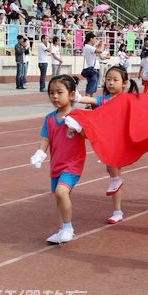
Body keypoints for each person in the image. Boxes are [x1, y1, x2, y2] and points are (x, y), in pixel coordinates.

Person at [65, 66, 139, 224]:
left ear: (124, 83)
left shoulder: (128, 100)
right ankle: (117, 210)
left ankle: (115, 186)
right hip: (106, 140)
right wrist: (77, 97)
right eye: (108, 79)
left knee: (114, 169)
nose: (111, 83)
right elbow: (90, 100)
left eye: (115, 80)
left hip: (121, 140)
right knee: (114, 175)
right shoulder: (103, 99)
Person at [30, 75, 86, 244]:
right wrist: (39, 153)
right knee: (58, 196)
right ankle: (61, 229)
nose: (55, 96)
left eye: (59, 92)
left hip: (73, 164)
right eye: (51, 93)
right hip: (56, 164)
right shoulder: (49, 118)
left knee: (62, 192)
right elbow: (45, 139)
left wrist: (78, 128)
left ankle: (68, 228)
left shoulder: (78, 116)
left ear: (71, 94)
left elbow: (89, 136)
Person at [82, 32, 104, 97]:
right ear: (91, 39)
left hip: (94, 69)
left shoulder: (90, 47)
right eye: (95, 39)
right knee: (90, 88)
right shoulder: (88, 47)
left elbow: (99, 54)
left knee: (93, 89)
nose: (95, 41)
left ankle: (91, 102)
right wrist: (102, 44)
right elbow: (100, 51)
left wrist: (99, 45)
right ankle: (88, 103)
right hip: (92, 69)